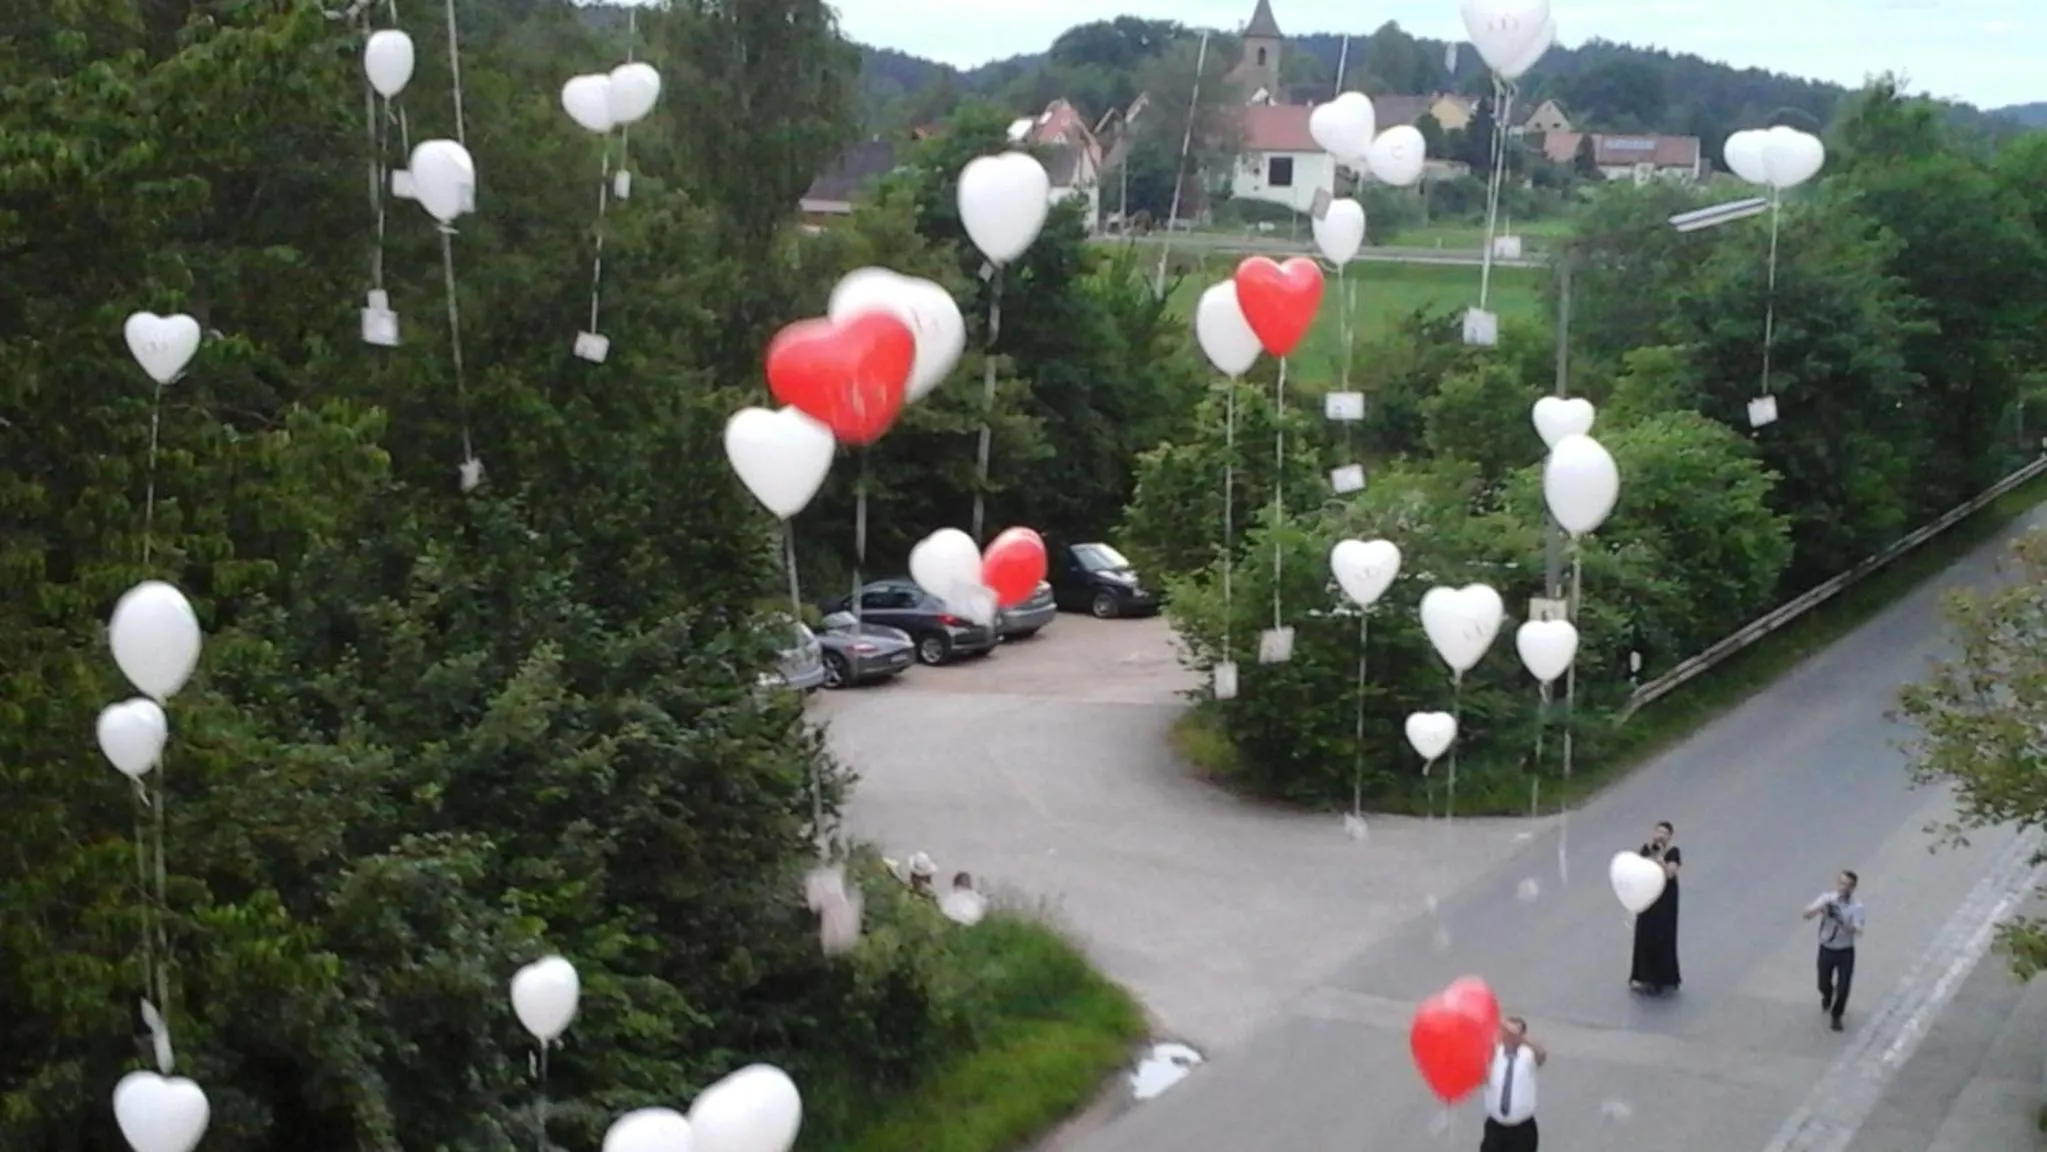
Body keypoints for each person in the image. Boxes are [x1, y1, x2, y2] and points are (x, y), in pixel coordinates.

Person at [1803, 870, 1864, 1032]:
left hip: (1845, 951)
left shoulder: (1857, 906)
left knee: (1844, 988)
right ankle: (1827, 995)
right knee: (1823, 983)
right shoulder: (1827, 899)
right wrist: (1820, 910)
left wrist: (1842, 921)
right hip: (1827, 949)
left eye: (1848, 885)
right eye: (1842, 883)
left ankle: (1837, 1016)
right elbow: (1806, 913)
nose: (1844, 888)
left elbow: (1858, 930)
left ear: (1853, 888)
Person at [1629, 820, 1683, 994]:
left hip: (1665, 901)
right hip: (1648, 898)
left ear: (1669, 836)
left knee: (1662, 937)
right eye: (1658, 832)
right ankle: (1641, 976)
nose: (1660, 835)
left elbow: (1670, 874)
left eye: (1664, 833)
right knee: (1644, 935)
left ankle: (1662, 978)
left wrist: (1660, 859)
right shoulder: (1646, 849)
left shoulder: (1673, 852)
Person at [1481, 1016, 1545, 1152]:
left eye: (1513, 1033)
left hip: (1522, 1128)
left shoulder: (1527, 1055)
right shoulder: (1493, 1053)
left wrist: (1522, 1039)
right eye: (1506, 1032)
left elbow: (1542, 1055)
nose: (1508, 1036)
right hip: (1495, 1127)